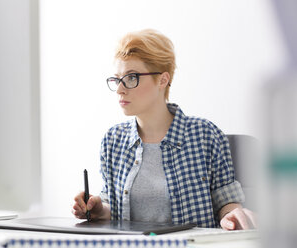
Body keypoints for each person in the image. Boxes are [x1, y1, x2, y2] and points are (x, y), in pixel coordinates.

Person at [72, 29, 256, 230]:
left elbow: (226, 203)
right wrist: (99, 209)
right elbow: (113, 209)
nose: (120, 89)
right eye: (117, 79)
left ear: (162, 80)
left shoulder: (206, 135)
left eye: (131, 77)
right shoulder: (113, 140)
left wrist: (233, 216)